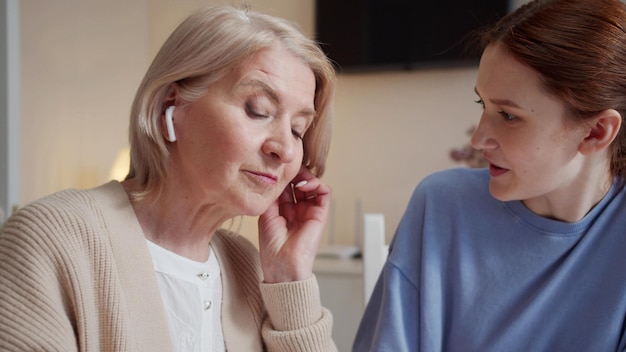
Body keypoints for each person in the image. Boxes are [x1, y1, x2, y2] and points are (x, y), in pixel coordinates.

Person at [0, 5, 337, 352]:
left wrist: (289, 278)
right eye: (257, 110)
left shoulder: (248, 266)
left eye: (299, 129)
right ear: (169, 107)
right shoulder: (51, 240)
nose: (284, 148)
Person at [353, 0, 626, 350]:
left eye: (508, 116)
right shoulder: (442, 207)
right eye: (483, 105)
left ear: (596, 132)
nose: (478, 139)